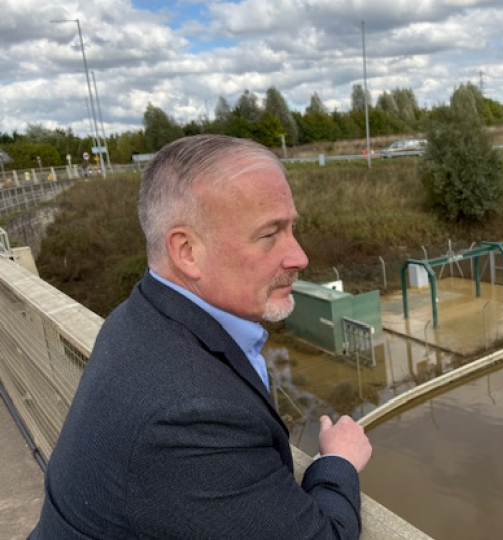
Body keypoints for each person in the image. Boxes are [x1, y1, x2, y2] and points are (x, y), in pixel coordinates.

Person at [28, 134, 372, 540]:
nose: (299, 256)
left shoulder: (136, 317)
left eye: (292, 228)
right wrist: (338, 463)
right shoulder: (190, 415)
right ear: (187, 251)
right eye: (270, 235)